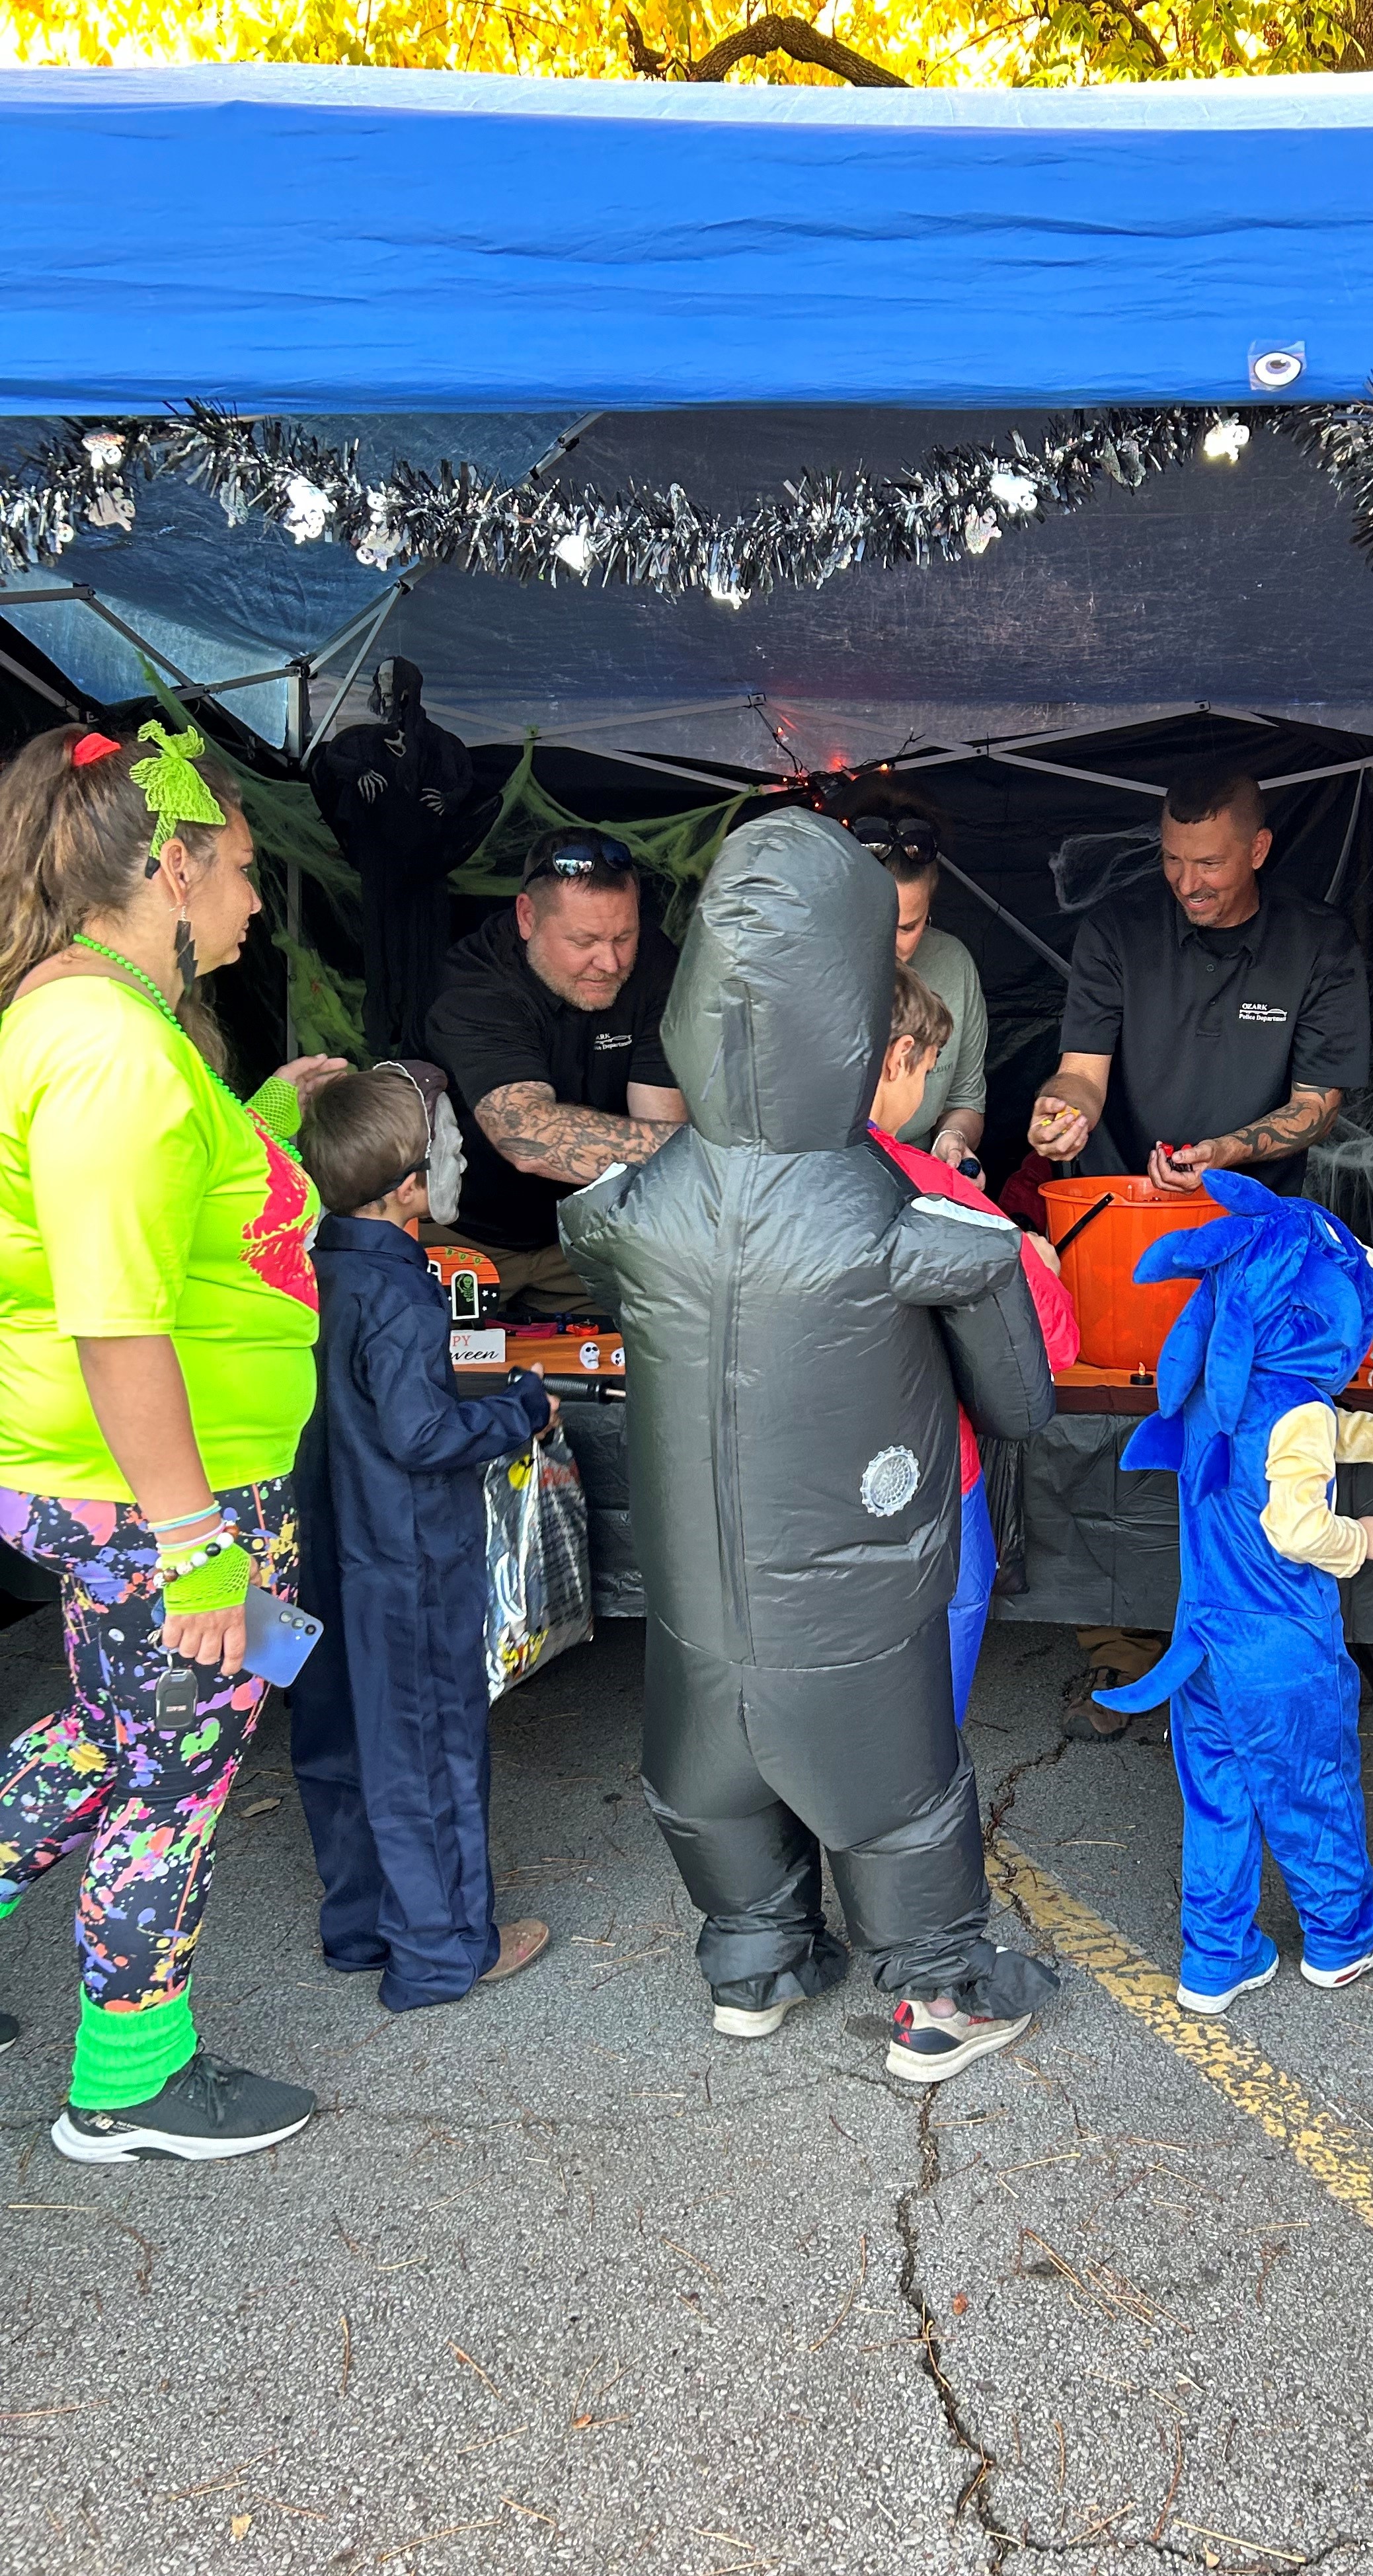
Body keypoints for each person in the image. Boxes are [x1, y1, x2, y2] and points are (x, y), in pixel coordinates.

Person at [561, 809, 1059, 2085]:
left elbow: (591, 1228)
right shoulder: (898, 1220)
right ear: (849, 1012)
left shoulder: (638, 1203)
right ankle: (940, 1993)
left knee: (705, 1773)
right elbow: (1017, 1406)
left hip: (692, 1608)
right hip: (848, 1603)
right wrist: (989, 1278)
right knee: (896, 1798)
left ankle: (752, 1958)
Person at [0, 720, 342, 2162]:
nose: (257, 907)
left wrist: (263, 1115)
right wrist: (198, 1543)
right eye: (247, 875)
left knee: (107, 1733)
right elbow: (118, 1317)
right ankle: (129, 2081)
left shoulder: (97, 1028)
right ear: (177, 866)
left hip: (121, 1488)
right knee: (173, 1771)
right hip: (158, 1498)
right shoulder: (112, 1054)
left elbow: (168, 1213)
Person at [1027, 759, 1371, 1741]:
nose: (1192, 882)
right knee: (1118, 1428)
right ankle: (1118, 1642)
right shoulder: (1119, 932)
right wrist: (1063, 1111)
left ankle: (1261, 1633)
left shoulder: (1317, 943)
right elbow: (1081, 1074)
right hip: (1124, 1228)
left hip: (1263, 1236)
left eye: (1212, 863)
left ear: (1258, 849)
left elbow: (1318, 1105)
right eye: (1176, 861)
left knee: (1253, 1437)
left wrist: (1226, 1154)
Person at [1095, 1178, 1373, 2012]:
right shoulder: (1295, 1406)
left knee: (1217, 1798)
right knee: (1311, 1788)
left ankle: (1215, 1958)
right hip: (1279, 1650)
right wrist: (1362, 1540)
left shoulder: (1224, 1391)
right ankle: (1344, 1934)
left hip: (1205, 1644)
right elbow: (1296, 1525)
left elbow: (1314, 1433)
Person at [293, 1066, 559, 2012]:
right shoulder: (403, 1297)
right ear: (409, 1185)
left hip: (319, 1552)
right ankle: (444, 1950)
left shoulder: (306, 1269)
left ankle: (362, 1926)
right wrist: (519, 1410)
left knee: (339, 1739)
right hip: (403, 1558)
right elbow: (421, 1435)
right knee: (428, 1750)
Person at [867, 964, 1079, 1722]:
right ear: (898, 1060)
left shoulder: (726, 1181)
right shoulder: (940, 1191)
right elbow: (1050, 1347)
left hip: (770, 1480)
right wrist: (1042, 1265)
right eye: (925, 1071)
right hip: (922, 1475)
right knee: (926, 1685)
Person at [422, 827, 687, 1314]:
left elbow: (661, 1124)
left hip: (586, 1234)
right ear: (527, 917)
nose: (609, 962)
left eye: (623, 937)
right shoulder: (476, 984)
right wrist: (716, 1157)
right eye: (583, 940)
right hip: (463, 1235)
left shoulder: (654, 964)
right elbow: (527, 1136)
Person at [847, 778, 988, 1177]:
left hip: (919, 1182)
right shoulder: (805, 971)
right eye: (875, 922)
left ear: (931, 906)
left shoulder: (953, 965)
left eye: (907, 927)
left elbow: (964, 1098)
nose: (888, 944)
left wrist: (951, 1144)